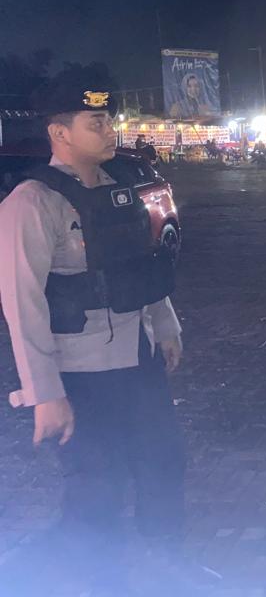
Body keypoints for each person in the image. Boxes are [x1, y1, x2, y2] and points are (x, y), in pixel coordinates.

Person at [0, 80, 186, 588]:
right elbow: (23, 304)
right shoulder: (31, 202)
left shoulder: (119, 188)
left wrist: (165, 325)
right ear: (59, 132)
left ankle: (167, 562)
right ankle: (91, 577)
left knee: (164, 461)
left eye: (109, 120)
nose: (110, 130)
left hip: (138, 356)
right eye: (96, 123)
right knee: (97, 484)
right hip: (80, 370)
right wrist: (45, 394)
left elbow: (142, 268)